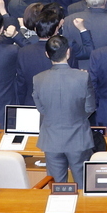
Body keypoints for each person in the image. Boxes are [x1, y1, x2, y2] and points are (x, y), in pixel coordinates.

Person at [32, 35, 95, 184]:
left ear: (47, 54)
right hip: (78, 138)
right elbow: (90, 108)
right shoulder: (82, 77)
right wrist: (76, 117)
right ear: (68, 52)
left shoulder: (38, 79)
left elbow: (41, 108)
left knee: (57, 188)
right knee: (82, 185)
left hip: (51, 139)